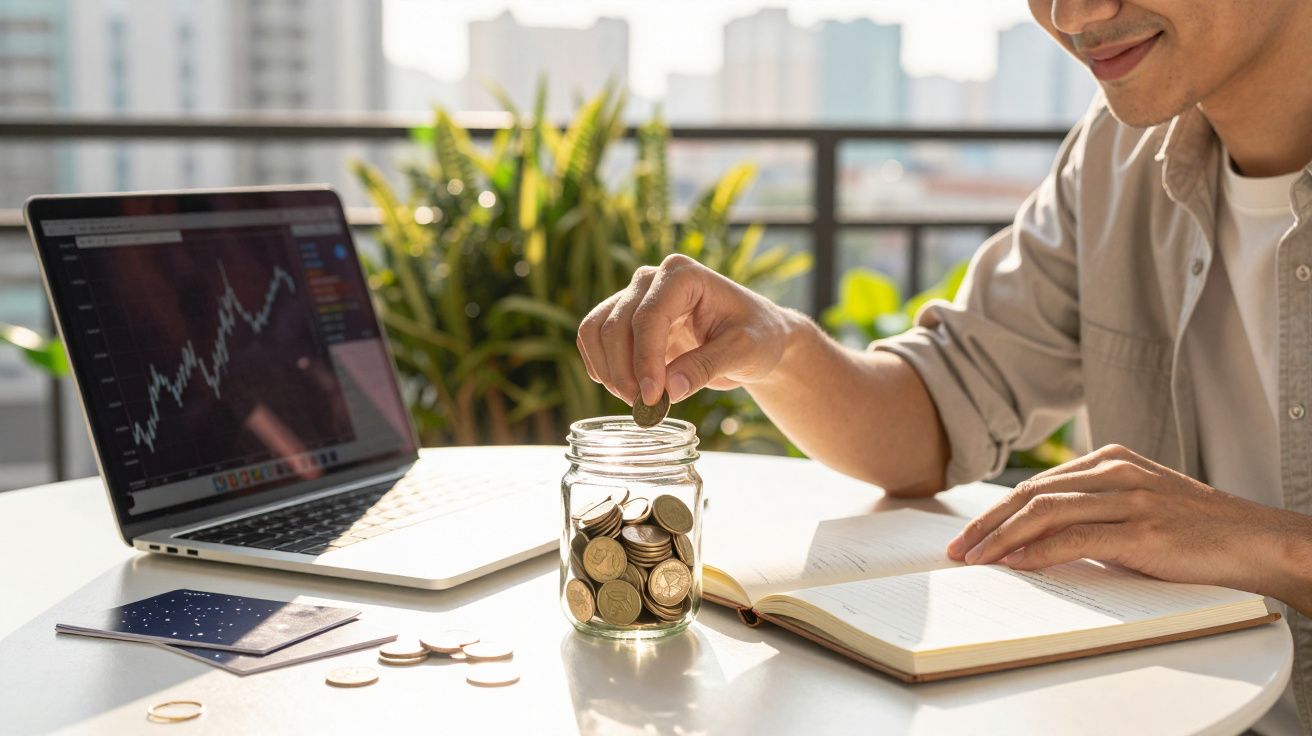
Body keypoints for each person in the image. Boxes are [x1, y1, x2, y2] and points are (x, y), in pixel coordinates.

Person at [577, 1, 1312, 733]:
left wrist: (1272, 546)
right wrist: (778, 346)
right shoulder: (1115, 156)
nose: (1071, 13)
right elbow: (938, 408)